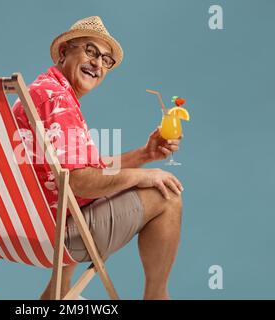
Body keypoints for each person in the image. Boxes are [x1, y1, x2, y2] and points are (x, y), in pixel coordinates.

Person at [12, 16, 183, 300]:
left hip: (25, 224)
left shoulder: (42, 91)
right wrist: (146, 176)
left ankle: (58, 293)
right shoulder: (57, 101)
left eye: (106, 60)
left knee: (84, 191)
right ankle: (157, 297)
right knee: (166, 196)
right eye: (91, 51)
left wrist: (144, 155)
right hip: (55, 235)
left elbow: (85, 169)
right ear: (65, 51)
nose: (98, 64)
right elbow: (81, 181)